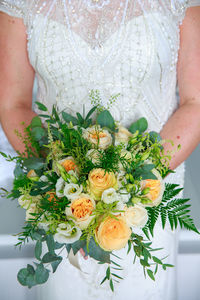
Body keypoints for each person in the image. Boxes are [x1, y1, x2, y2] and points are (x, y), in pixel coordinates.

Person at [0, 1, 200, 299]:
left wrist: (130, 188)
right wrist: (66, 181)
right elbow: (12, 104)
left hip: (148, 198)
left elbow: (195, 103)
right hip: (61, 201)